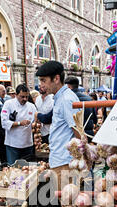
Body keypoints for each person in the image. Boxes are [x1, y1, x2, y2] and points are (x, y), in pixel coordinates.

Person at [36, 61, 80, 189]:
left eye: (44, 80)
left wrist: (79, 160)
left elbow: (78, 131)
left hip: (65, 162)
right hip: (61, 160)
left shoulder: (66, 99)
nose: (41, 85)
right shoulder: (59, 98)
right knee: (67, 203)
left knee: (68, 204)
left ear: (56, 79)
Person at [1, 84, 36, 165]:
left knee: (27, 169)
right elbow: (4, 123)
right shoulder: (8, 104)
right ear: (16, 95)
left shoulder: (31, 106)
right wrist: (20, 123)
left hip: (27, 143)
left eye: (27, 97)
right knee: (13, 169)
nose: (25, 99)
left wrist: (36, 124)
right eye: (22, 96)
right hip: (13, 143)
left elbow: (35, 122)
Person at [65, 76, 97, 142]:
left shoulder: (67, 99)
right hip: (88, 133)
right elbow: (95, 118)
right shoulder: (89, 99)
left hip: (73, 136)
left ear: (68, 86)